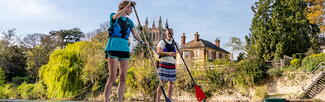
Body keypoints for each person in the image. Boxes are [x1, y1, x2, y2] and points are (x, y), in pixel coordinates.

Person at [104, 1, 143, 102]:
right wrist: (129, 4)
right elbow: (117, 15)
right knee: (112, 76)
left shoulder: (130, 21)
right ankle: (106, 100)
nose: (131, 11)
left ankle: (120, 100)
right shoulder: (113, 15)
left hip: (125, 49)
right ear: (125, 7)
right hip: (113, 47)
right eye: (130, 9)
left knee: (123, 77)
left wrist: (142, 41)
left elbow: (135, 34)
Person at [156, 28, 181, 102]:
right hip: (163, 63)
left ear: (173, 34)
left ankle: (169, 99)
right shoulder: (162, 42)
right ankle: (158, 100)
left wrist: (180, 51)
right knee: (162, 82)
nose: (170, 34)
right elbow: (158, 51)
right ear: (166, 34)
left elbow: (180, 51)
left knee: (171, 83)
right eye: (168, 33)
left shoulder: (175, 43)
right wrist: (168, 53)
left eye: (171, 33)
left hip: (172, 64)